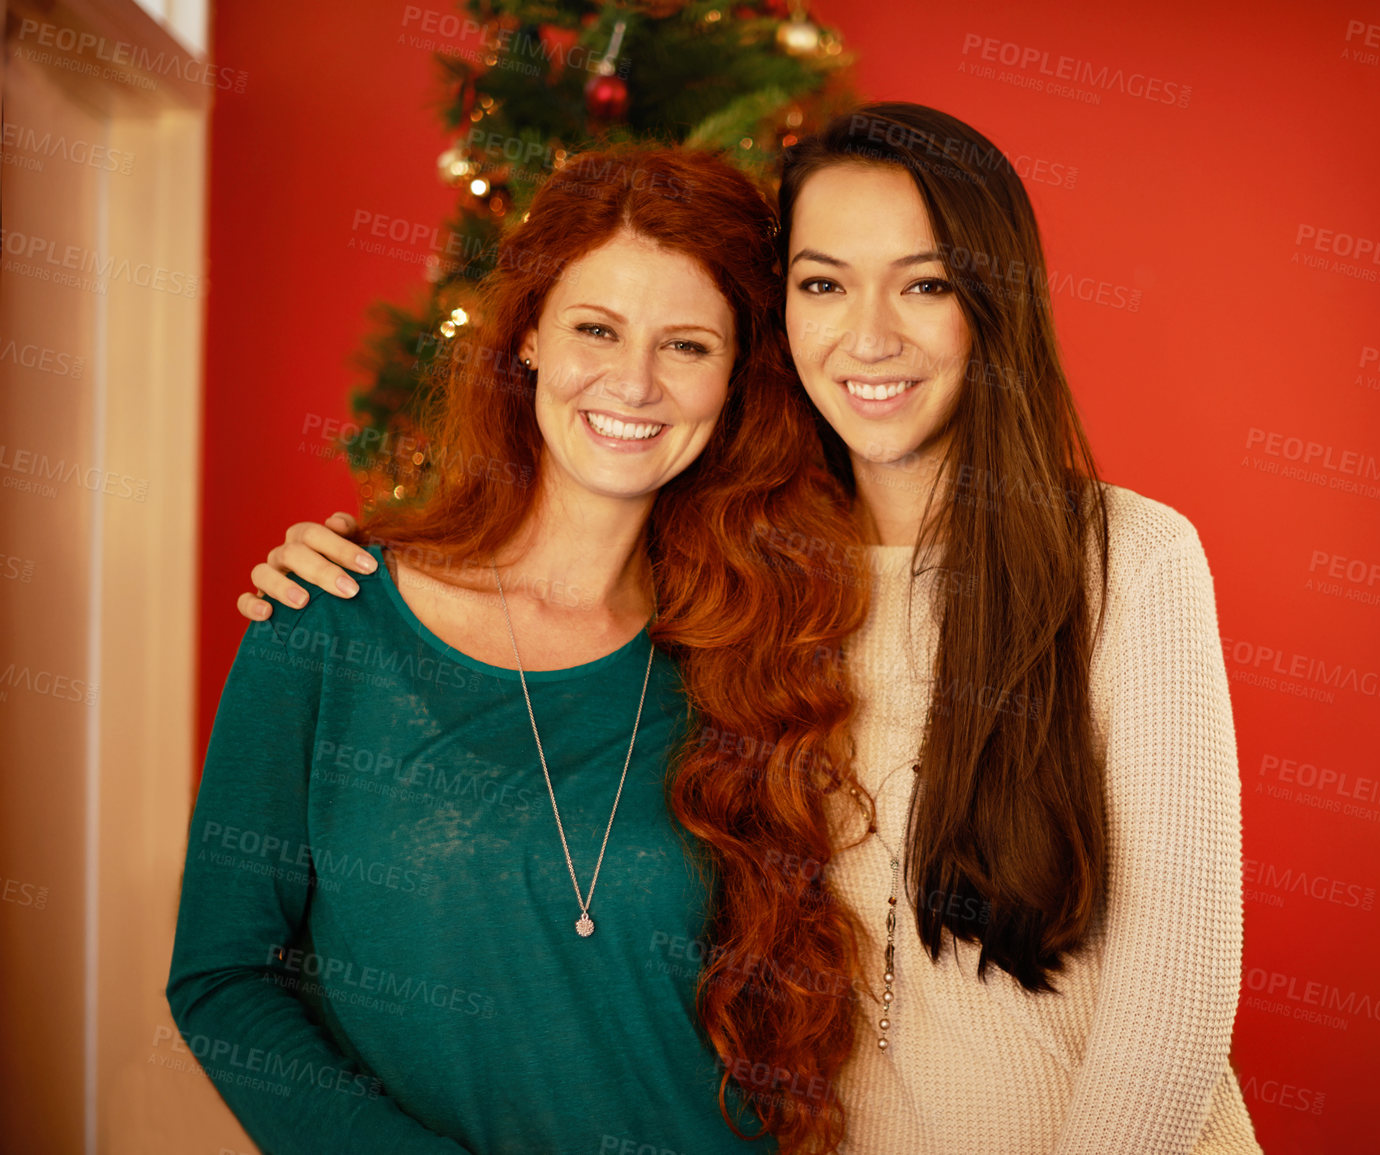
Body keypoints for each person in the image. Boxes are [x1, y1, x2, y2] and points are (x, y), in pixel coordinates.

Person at [240, 103, 1261, 1154]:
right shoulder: (744, 584)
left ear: (991, 305)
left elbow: (1175, 996)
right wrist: (357, 564)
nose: (869, 336)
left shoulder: (1125, 562)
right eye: (824, 283)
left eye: (925, 284)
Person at [173, 144, 869, 1155]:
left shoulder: (755, 654)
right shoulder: (328, 614)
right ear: (532, 336)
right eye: (596, 328)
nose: (632, 383)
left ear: (736, 376)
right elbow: (223, 977)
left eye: (686, 345)